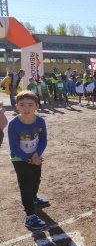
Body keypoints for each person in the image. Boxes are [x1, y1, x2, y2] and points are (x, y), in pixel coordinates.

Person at [8, 91, 49, 230]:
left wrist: (37, 155)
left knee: (36, 179)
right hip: (19, 158)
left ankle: (34, 197)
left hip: (35, 157)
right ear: (16, 106)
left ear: (36, 106)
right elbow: (13, 147)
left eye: (30, 105)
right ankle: (30, 216)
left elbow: (43, 140)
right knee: (25, 184)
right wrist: (29, 159)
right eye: (22, 105)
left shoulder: (40, 121)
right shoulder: (13, 124)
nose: (26, 108)